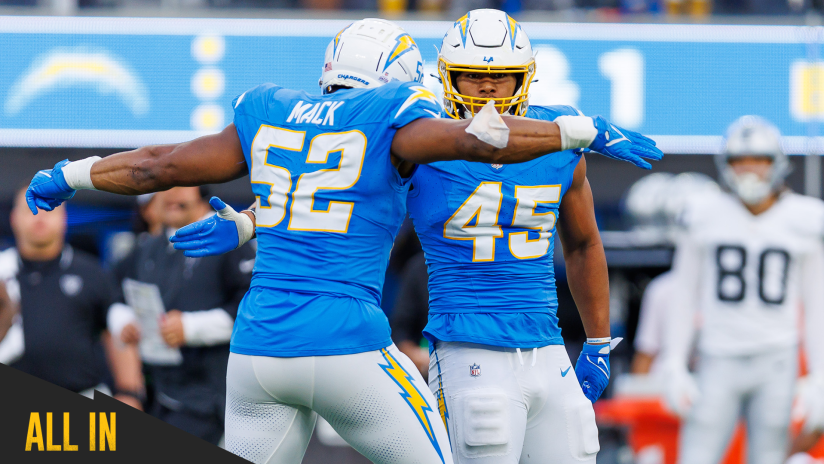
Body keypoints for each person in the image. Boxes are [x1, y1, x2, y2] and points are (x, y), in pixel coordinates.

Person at [25, 18, 661, 464]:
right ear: (402, 80)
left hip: (257, 355)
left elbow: (157, 167)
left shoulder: (269, 107)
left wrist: (69, 175)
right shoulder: (394, 117)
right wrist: (580, 130)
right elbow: (477, 140)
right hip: (344, 343)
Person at [404, 10, 618, 462]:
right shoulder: (421, 139)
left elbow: (584, 243)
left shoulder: (560, 140)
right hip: (468, 348)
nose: (486, 87)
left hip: (548, 347)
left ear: (524, 77)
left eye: (501, 76)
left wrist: (598, 341)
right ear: (447, 78)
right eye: (471, 77)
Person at [660, 116, 824, 464]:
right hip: (718, 355)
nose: (749, 170)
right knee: (697, 454)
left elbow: (816, 303)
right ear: (726, 166)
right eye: (740, 161)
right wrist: (673, 362)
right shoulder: (704, 213)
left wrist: (820, 376)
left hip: (777, 356)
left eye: (758, 161)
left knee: (768, 456)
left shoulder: (806, 219)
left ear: (776, 164)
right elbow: (684, 293)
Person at [115, 186, 254, 445]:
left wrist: (191, 328)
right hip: (162, 391)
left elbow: (252, 308)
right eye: (165, 185)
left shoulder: (229, 239)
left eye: (182, 185)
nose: (172, 194)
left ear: (202, 193)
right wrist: (126, 322)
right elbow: (117, 295)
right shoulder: (151, 246)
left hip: (212, 395)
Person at [0, 186, 144, 408]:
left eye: (49, 209)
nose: (39, 217)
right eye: (30, 209)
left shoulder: (93, 272)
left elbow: (118, 332)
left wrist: (129, 392)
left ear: (64, 217)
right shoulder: (3, 271)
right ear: (13, 218)